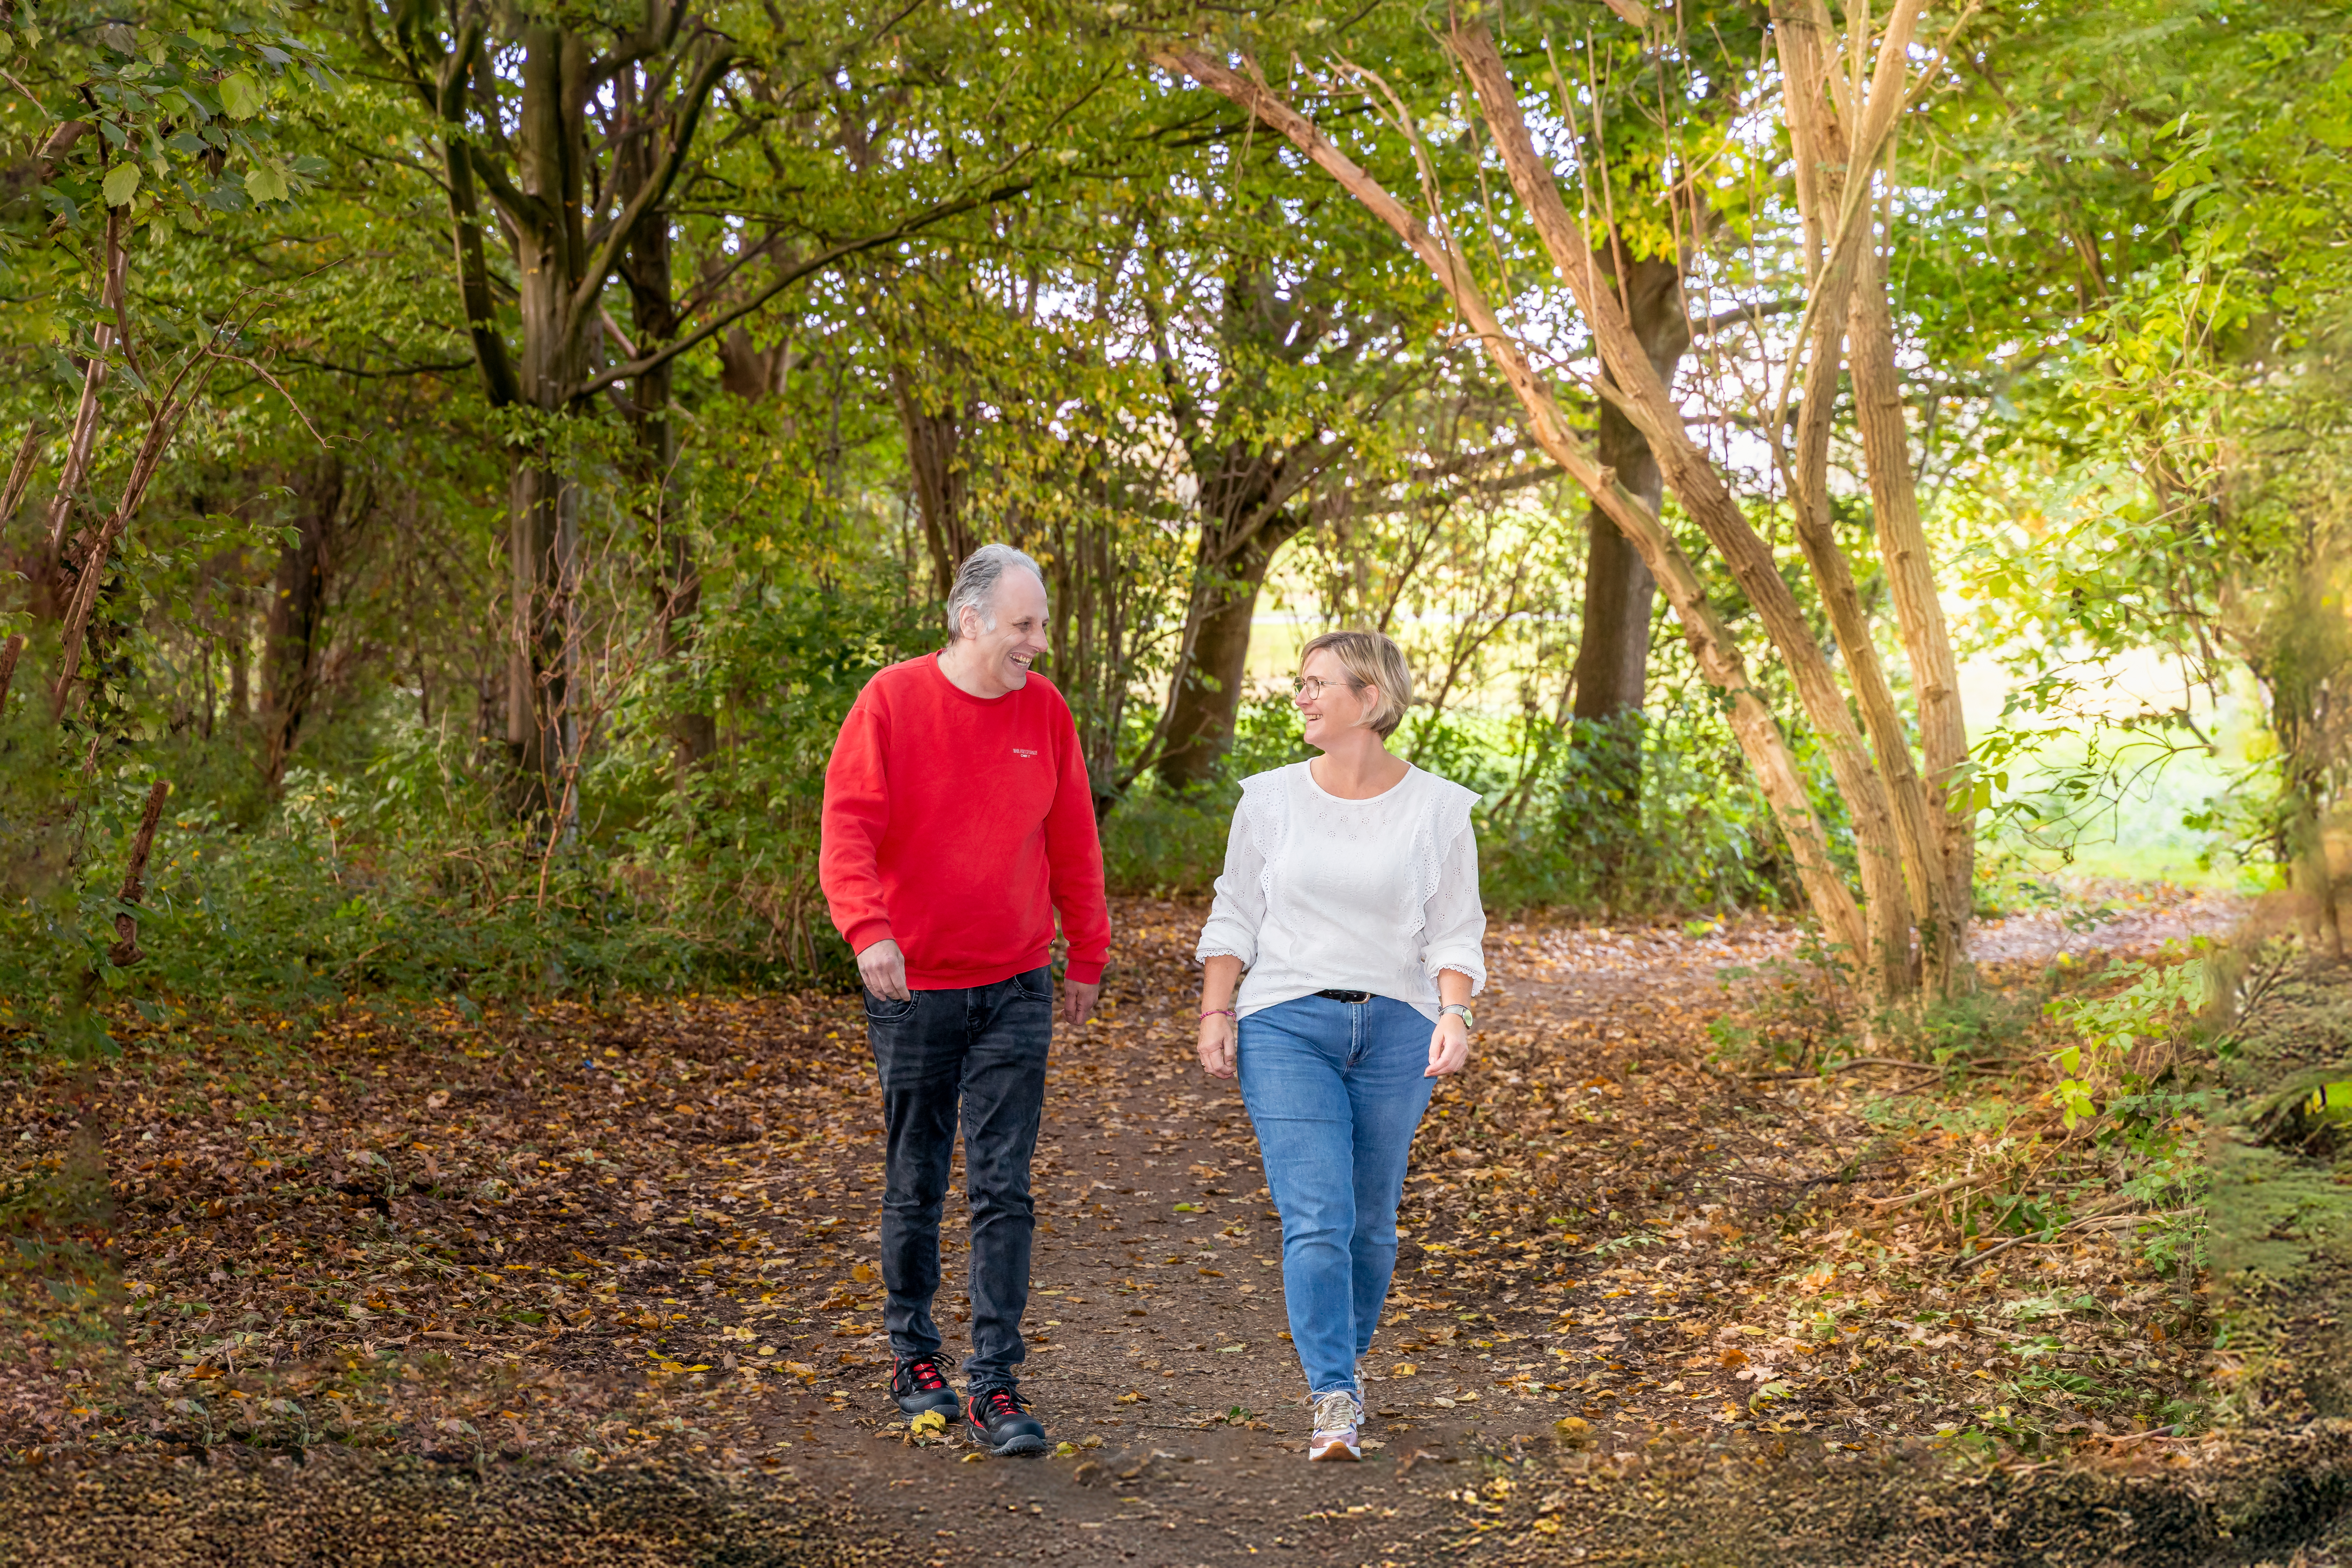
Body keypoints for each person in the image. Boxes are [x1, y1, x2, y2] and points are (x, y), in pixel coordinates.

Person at [820, 543, 1108, 1457]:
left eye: (1043, 624)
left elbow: (1074, 838)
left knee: (1003, 1185)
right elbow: (847, 826)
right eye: (1024, 625)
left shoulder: (1045, 711)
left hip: (1016, 981)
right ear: (968, 619)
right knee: (916, 1175)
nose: (1039, 642)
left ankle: (995, 1380)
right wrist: (869, 929)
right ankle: (914, 1355)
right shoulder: (893, 700)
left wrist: (1086, 950)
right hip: (914, 988)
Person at [1192, 629, 1485, 1463]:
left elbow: (1453, 928)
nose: (1302, 696)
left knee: (1370, 1227)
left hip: (1395, 1027)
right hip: (1285, 1021)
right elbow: (1234, 911)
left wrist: (1454, 1013)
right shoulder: (1270, 800)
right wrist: (1217, 1010)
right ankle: (1332, 1392)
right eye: (1300, 681)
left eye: (1319, 683)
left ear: (1371, 698)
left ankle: (1342, 1366)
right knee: (1316, 1216)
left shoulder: (1437, 807)